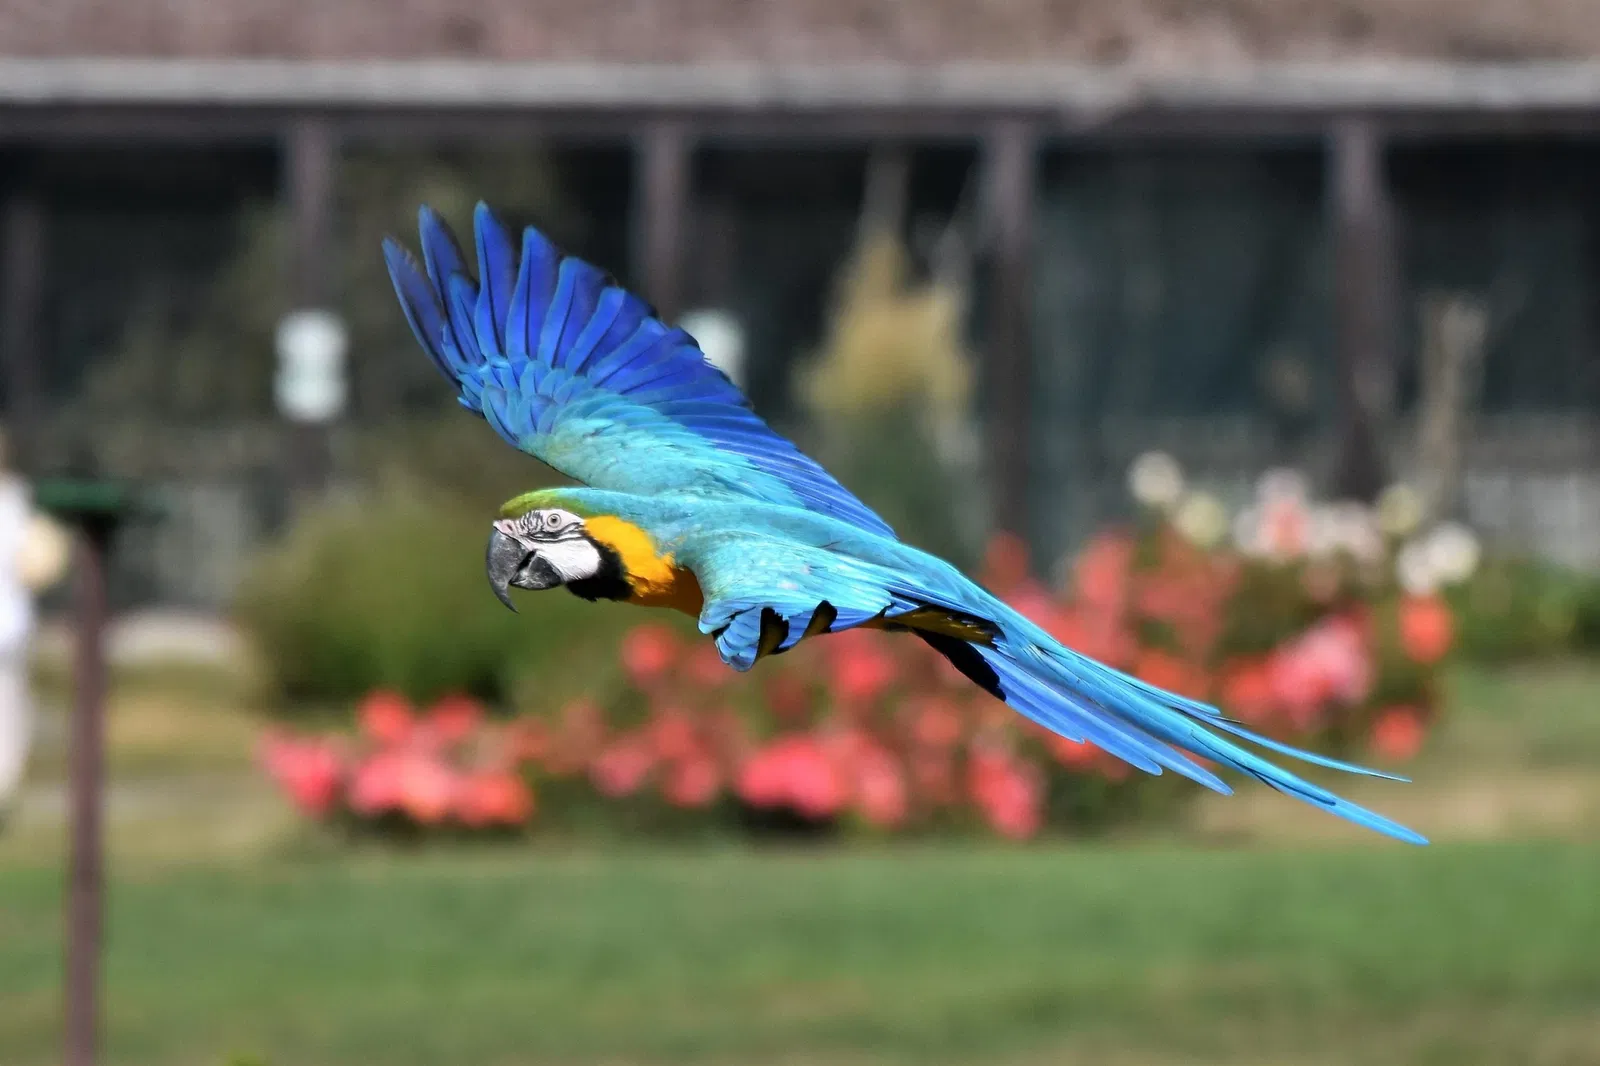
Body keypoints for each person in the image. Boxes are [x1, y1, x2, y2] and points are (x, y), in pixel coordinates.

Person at [0, 429, 69, 825]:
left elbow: (37, 561)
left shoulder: (16, 501)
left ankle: (4, 792)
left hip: (7, 628)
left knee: (9, 713)